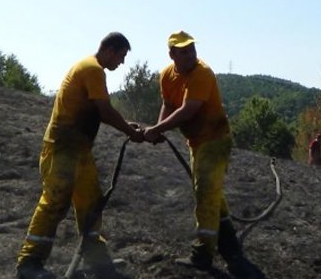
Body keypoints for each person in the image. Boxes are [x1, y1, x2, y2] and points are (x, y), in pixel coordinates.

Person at [16, 32, 144, 279]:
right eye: (121, 55)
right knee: (54, 202)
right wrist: (132, 132)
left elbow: (99, 110)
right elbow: (105, 112)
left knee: (91, 203)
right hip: (62, 148)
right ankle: (29, 264)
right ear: (109, 49)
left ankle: (97, 261)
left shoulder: (91, 68)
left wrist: (132, 127)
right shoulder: (93, 69)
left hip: (79, 150)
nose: (122, 62)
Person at [143, 31, 262, 279]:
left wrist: (156, 130)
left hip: (216, 140)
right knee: (212, 194)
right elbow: (168, 103)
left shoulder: (202, 73)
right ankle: (231, 249)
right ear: (172, 54)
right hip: (196, 142)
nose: (190, 55)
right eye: (183, 51)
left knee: (205, 191)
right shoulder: (166, 75)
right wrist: (159, 127)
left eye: (192, 49)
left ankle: (203, 254)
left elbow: (188, 110)